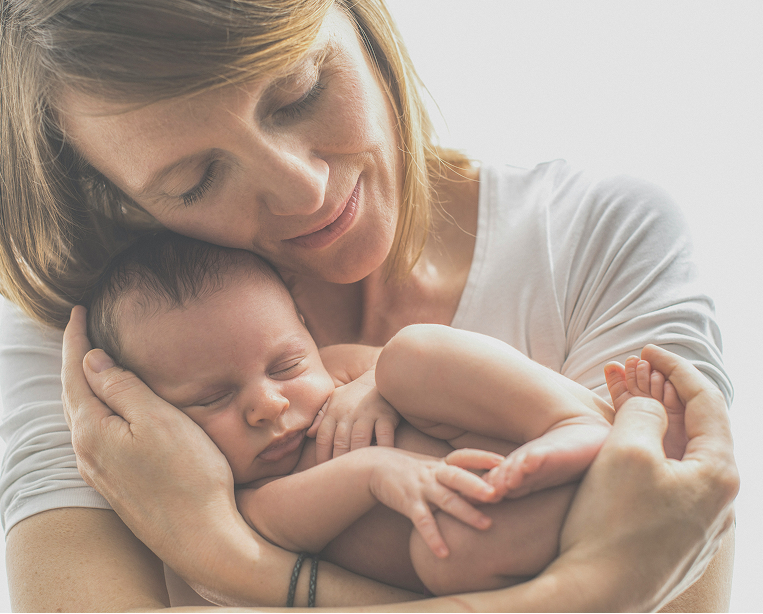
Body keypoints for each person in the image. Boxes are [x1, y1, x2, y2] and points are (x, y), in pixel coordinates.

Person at [0, 0, 737, 611]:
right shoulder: (107, 339)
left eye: (301, 90)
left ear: (358, 7)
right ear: (114, 194)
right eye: (195, 180)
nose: (303, 188)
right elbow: (633, 561)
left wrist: (232, 561)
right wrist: (589, 590)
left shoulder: (594, 236)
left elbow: (675, 533)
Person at [85, 231, 621, 595]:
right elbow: (281, 527)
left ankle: (571, 422)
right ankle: (590, 495)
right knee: (448, 555)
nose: (269, 404)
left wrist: (372, 385)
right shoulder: (240, 503)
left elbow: (410, 374)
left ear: (306, 330)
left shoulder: (337, 367)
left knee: (410, 356)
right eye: (212, 399)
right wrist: (374, 472)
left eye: (287, 363)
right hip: (498, 527)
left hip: (515, 446)